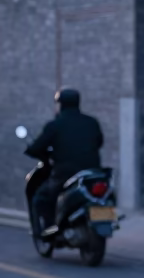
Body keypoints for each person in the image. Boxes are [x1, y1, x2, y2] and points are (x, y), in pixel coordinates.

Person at [25, 89, 104, 235]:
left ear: (60, 104)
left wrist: (33, 150)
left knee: (41, 198)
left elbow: (37, 146)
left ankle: (49, 229)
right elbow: (99, 143)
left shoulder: (55, 125)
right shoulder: (92, 122)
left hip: (66, 173)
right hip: (93, 173)